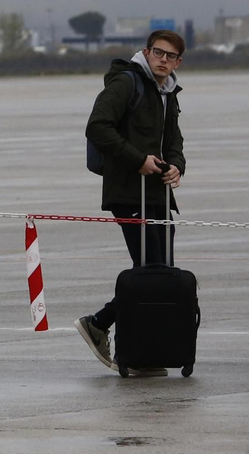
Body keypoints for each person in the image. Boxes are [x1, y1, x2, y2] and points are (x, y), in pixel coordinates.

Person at [75, 29, 186, 376]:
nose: (163, 60)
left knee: (161, 274)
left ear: (179, 61)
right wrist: (137, 159)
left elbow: (174, 140)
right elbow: (97, 127)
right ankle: (102, 325)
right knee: (151, 274)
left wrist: (177, 166)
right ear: (146, 51)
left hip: (157, 194)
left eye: (171, 56)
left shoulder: (169, 92)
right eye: (158, 52)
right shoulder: (127, 83)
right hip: (129, 192)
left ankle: (143, 351)